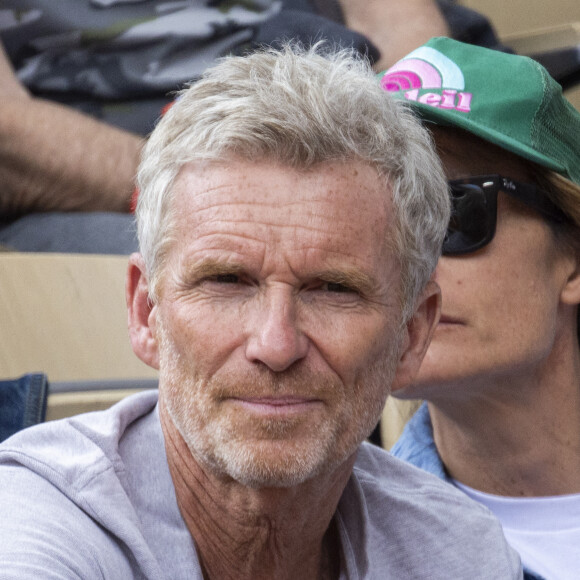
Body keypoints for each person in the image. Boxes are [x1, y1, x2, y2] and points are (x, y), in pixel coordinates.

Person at [0, 44, 523, 578]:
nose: (276, 346)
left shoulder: (460, 552)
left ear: (412, 334)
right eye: (227, 281)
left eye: (333, 290)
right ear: (146, 311)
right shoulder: (37, 525)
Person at [0, 0, 505, 254]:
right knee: (229, 273)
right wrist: (216, 188)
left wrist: (410, 157)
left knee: (502, 237)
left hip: (327, 83)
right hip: (104, 163)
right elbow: (11, 133)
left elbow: (399, 23)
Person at [379, 37, 580, 580]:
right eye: (374, 231)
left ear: (575, 262)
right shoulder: (336, 546)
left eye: (451, 215)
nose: (404, 267)